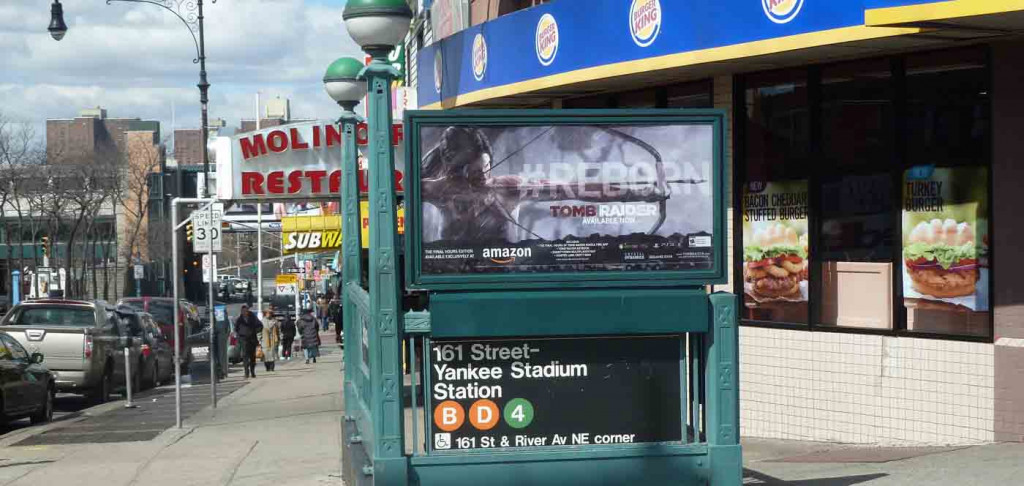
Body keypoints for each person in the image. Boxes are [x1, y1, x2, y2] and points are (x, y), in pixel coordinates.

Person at [234, 304, 262, 378]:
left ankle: (252, 371)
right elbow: (236, 329)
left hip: (252, 339)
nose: (245, 312)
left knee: (252, 356)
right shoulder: (240, 319)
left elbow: (260, 326)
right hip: (244, 340)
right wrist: (240, 336)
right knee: (245, 356)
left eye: (246, 311)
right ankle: (246, 372)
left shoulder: (253, 317)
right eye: (243, 311)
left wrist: (254, 331)